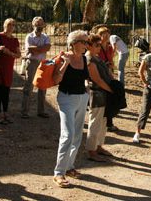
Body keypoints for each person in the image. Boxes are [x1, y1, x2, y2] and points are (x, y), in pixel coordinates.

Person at [52, 30, 91, 188]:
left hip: (81, 98)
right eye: (84, 42)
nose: (86, 45)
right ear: (74, 43)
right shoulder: (63, 58)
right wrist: (66, 63)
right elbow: (56, 79)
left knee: (77, 136)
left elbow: (85, 78)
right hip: (66, 98)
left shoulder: (83, 58)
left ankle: (69, 167)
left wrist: (87, 92)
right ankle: (58, 173)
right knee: (67, 135)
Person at [85, 34, 114, 162]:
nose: (99, 47)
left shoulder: (96, 57)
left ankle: (98, 146)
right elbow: (96, 79)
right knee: (95, 122)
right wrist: (111, 89)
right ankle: (92, 150)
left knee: (103, 122)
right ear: (89, 46)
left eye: (99, 45)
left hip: (104, 93)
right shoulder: (89, 59)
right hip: (96, 93)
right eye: (96, 45)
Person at [0, 18, 21, 124]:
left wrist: (9, 53)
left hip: (8, 69)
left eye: (12, 25)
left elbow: (18, 55)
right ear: (4, 25)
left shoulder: (14, 40)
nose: (10, 27)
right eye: (8, 24)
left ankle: (6, 114)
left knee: (6, 92)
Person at [21, 16, 51, 118]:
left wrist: (36, 49)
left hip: (43, 64)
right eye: (37, 24)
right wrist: (41, 49)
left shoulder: (46, 36)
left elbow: (47, 47)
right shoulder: (29, 36)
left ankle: (41, 111)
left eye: (41, 24)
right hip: (32, 62)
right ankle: (25, 112)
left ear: (44, 25)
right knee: (28, 86)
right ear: (33, 25)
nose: (39, 26)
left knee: (42, 87)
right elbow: (30, 48)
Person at [96, 26, 118, 132]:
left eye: (107, 33)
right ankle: (105, 123)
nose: (106, 35)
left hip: (109, 74)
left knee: (109, 99)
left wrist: (112, 65)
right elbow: (96, 61)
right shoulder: (97, 47)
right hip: (100, 74)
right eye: (103, 34)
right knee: (103, 99)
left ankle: (109, 123)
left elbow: (111, 60)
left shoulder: (109, 47)